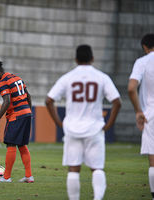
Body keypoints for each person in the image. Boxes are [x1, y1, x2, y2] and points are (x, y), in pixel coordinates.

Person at [45, 45, 121, 200]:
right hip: (94, 128)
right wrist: (109, 124)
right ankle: (97, 198)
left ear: (76, 59)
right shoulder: (102, 77)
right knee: (97, 168)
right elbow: (117, 102)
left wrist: (60, 123)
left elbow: (48, 100)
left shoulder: (68, 77)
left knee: (73, 169)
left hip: (72, 128)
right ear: (92, 59)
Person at [0, 58, 34, 183]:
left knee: (11, 144)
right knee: (22, 145)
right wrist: (28, 111)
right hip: (26, 113)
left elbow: (7, 101)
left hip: (16, 116)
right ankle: (29, 176)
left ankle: (6, 177)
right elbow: (28, 95)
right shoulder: (17, 78)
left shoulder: (2, 82)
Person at [127, 33, 154, 200]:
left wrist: (138, 111)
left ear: (144, 47)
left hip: (151, 115)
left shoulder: (143, 62)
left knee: (153, 161)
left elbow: (131, 88)